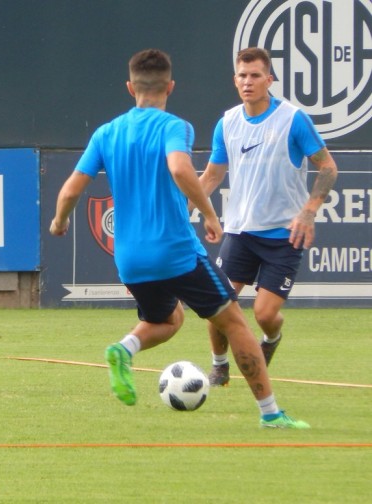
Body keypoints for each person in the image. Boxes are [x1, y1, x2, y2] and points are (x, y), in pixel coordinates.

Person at [50, 49, 308, 428]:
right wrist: (208, 212)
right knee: (235, 322)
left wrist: (59, 221)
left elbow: (72, 189)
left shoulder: (106, 133)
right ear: (170, 86)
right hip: (175, 251)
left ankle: (124, 348)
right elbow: (179, 167)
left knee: (169, 319)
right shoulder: (175, 126)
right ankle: (271, 413)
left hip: (130, 259)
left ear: (129, 87)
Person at [199, 47, 338, 386]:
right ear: (235, 80)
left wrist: (308, 211)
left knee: (264, 314)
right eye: (242, 76)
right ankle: (219, 366)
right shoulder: (228, 122)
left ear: (269, 79)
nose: (248, 82)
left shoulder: (292, 119)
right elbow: (212, 176)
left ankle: (272, 338)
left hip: (283, 235)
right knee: (218, 305)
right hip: (240, 232)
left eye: (255, 75)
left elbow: (328, 167)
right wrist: (194, 207)